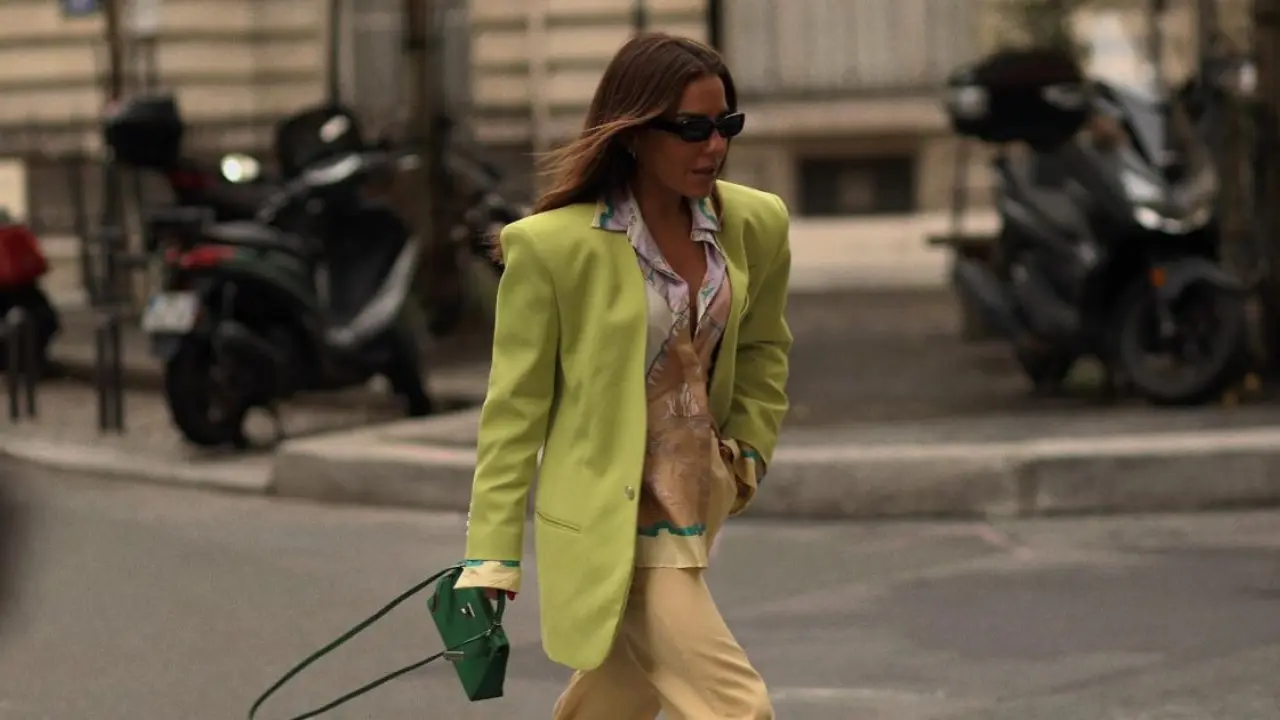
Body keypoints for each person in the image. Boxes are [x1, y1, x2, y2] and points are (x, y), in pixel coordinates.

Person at [455, 31, 792, 719]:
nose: (714, 147)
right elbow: (514, 411)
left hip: (696, 497)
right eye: (692, 129)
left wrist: (750, 452)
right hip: (609, 517)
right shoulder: (552, 249)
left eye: (725, 125)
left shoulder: (754, 223)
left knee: (615, 701)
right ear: (635, 132)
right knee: (738, 708)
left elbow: (764, 348)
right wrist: (490, 555)